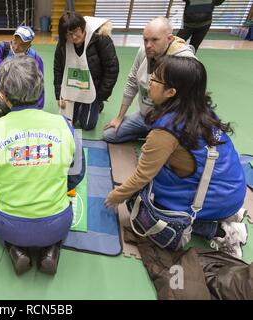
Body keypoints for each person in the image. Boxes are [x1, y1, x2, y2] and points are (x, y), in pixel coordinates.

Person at [105, 56, 247, 259]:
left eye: (155, 79)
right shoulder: (199, 109)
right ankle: (225, 213)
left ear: (171, 92)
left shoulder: (165, 132)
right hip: (231, 189)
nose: (149, 82)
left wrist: (114, 197)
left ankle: (224, 233)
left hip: (218, 197)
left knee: (141, 208)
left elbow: (141, 177)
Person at [0, 56, 85, 275]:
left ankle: (16, 250)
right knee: (59, 215)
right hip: (57, 222)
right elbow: (77, 173)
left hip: (10, 224)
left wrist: (9, 190)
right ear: (40, 90)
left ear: (3, 96)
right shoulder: (65, 125)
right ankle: (51, 250)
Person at [103, 17, 195, 143]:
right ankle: (148, 132)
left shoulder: (184, 61)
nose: (148, 45)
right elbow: (132, 82)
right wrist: (120, 117)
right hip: (144, 116)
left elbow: (191, 101)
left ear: (170, 39)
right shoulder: (143, 52)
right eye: (145, 40)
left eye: (155, 40)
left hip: (168, 123)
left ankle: (156, 135)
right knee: (109, 135)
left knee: (151, 157)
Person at [54, 11, 119, 131]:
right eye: (68, 34)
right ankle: (80, 104)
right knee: (66, 123)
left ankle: (97, 106)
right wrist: (60, 95)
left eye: (75, 31)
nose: (73, 37)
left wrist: (100, 96)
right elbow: (58, 69)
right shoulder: (63, 44)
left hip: (94, 87)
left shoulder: (100, 38)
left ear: (82, 27)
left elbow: (112, 68)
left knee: (87, 125)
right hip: (72, 85)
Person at [0, 26, 45, 114]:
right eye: (15, 42)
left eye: (22, 45)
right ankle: (6, 110)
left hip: (24, 93)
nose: (15, 47)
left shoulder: (35, 58)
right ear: (13, 38)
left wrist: (39, 107)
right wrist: (0, 90)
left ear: (29, 46)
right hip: (5, 90)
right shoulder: (1, 49)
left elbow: (39, 83)